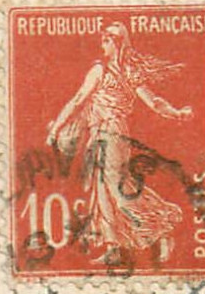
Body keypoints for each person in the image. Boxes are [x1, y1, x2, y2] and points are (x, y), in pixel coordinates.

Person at [45, 22, 192, 265]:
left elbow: (152, 101)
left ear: (118, 43)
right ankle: (113, 247)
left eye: (107, 38)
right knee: (101, 190)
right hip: (99, 133)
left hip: (112, 133)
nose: (102, 42)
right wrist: (177, 113)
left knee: (116, 187)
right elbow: (79, 100)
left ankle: (161, 229)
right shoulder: (112, 72)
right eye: (102, 38)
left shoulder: (110, 72)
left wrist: (176, 113)